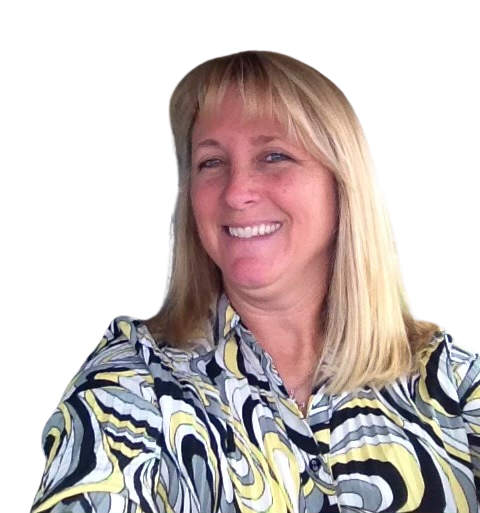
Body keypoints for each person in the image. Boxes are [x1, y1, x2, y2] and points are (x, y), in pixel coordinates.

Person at [31, 51, 480, 513]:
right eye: (211, 163)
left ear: (342, 183)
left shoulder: (448, 382)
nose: (236, 191)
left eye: (274, 156)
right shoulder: (134, 391)